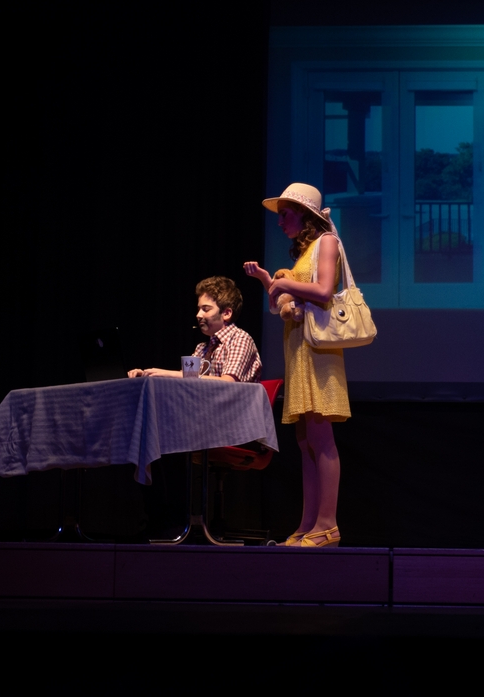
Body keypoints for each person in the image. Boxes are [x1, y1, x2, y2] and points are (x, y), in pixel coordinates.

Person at [243, 183, 349, 548]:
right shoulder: (306, 251)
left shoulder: (327, 242)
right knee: (306, 443)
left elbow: (324, 291)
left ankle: (328, 525)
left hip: (318, 352)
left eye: (285, 214)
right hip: (300, 350)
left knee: (321, 438)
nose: (279, 221)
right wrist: (269, 282)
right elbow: (285, 303)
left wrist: (286, 283)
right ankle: (308, 524)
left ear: (304, 215)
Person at [127, 276, 261, 383]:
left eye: (206, 309)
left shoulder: (239, 339)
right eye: (199, 309)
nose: (198, 315)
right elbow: (185, 380)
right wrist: (147, 375)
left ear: (226, 313)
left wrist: (169, 374)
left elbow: (228, 383)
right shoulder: (202, 348)